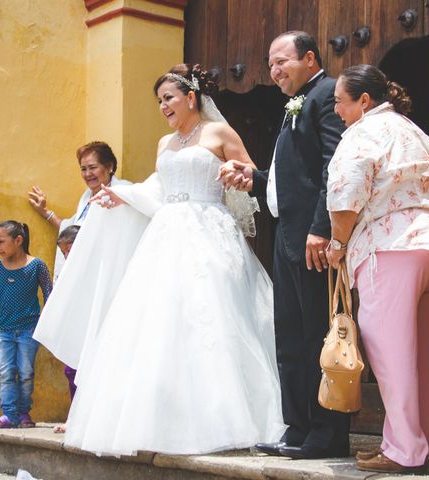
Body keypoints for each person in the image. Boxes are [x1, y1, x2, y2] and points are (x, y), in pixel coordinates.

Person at [34, 63, 284, 456]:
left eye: (168, 98)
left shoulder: (219, 132)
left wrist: (235, 173)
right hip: (167, 234)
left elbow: (251, 173)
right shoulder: (163, 145)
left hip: (209, 231)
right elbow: (159, 190)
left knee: (213, 317)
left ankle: (226, 418)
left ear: (190, 97)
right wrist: (123, 196)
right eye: (159, 101)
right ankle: (162, 420)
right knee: (160, 323)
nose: (163, 106)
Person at [218, 31, 350, 459]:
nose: (274, 71)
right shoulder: (295, 104)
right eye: (270, 64)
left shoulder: (326, 94)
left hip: (311, 239)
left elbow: (335, 164)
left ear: (310, 58)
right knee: (290, 337)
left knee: (314, 335)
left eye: (282, 61)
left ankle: (327, 433)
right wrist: (253, 179)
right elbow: (291, 178)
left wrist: (321, 226)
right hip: (287, 236)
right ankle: (298, 427)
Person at [325, 64, 429, 473]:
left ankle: (404, 451)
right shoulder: (414, 131)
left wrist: (338, 245)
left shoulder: (362, 133)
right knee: (420, 355)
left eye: (340, 101)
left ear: (364, 101)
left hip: (388, 247)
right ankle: (409, 444)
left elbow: (345, 197)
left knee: (392, 355)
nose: (336, 109)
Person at [0, 221, 52, 429]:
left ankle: (23, 413)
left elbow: (50, 295)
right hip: (4, 332)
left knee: (26, 372)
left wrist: (48, 323)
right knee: (6, 372)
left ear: (18, 240)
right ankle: (9, 415)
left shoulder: (37, 266)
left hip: (29, 330)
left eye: (1, 242)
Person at [27, 141, 130, 280]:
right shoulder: (87, 197)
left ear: (110, 166)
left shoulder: (123, 193)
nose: (88, 174)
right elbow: (71, 230)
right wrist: (44, 211)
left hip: (107, 272)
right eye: (83, 169)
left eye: (93, 167)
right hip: (83, 272)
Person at [51, 224, 81, 435]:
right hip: (72, 327)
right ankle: (74, 417)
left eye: (69, 250)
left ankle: (80, 419)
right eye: (63, 253)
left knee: (83, 373)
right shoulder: (67, 273)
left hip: (90, 331)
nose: (66, 256)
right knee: (70, 371)